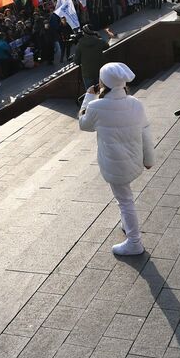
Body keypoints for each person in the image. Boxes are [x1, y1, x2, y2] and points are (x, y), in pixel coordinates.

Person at [79, 62, 155, 257]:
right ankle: (126, 223)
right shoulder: (135, 103)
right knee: (125, 198)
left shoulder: (96, 106)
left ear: (103, 82)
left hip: (114, 163)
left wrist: (88, 97)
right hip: (133, 159)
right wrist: (149, 158)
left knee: (125, 200)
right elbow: (145, 131)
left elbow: (83, 124)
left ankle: (134, 242)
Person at [74, 26, 112, 92]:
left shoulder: (79, 45)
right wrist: (98, 37)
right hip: (100, 71)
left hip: (88, 73)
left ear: (84, 33)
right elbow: (107, 46)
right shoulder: (99, 41)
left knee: (90, 93)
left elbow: (77, 61)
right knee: (103, 91)